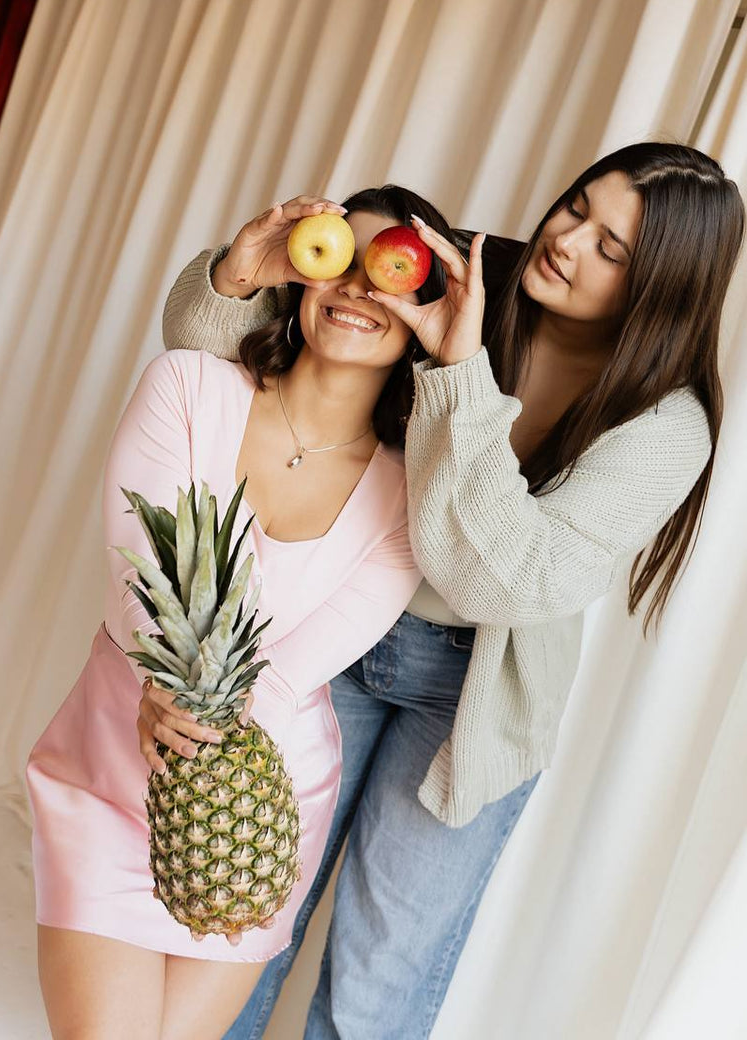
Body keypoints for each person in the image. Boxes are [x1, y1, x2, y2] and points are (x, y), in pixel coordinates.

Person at [144, 143, 745, 1039]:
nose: (568, 241)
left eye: (612, 249)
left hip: (475, 697)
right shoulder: (460, 274)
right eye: (578, 208)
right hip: (335, 631)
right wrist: (238, 275)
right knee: (248, 924)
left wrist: (459, 372)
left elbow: (506, 581)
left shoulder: (666, 425)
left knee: (378, 979)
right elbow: (206, 360)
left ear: (663, 286)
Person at [25, 185, 455, 1039]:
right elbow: (139, 568)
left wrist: (210, 730)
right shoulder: (187, 386)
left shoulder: (414, 494)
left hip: (262, 794)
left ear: (424, 317)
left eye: (390, 274)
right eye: (343, 259)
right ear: (303, 275)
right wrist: (166, 687)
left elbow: (297, 667)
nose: (358, 288)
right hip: (111, 759)